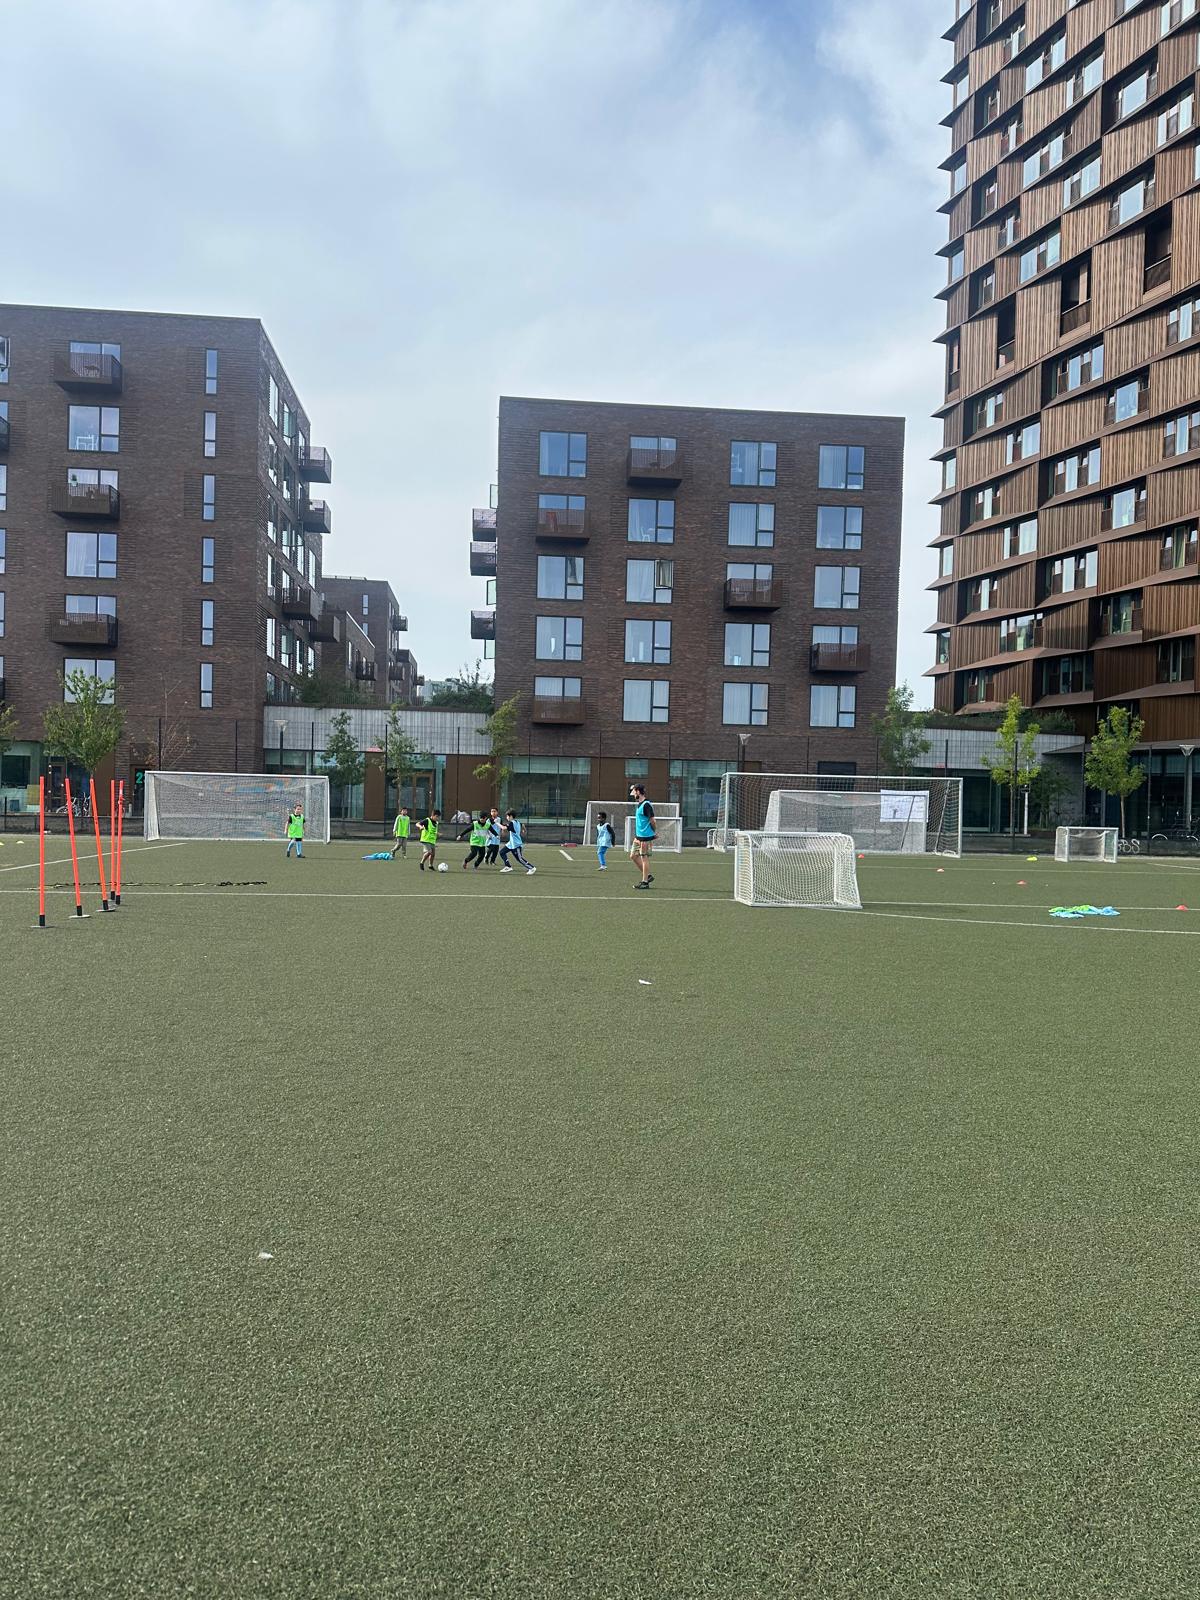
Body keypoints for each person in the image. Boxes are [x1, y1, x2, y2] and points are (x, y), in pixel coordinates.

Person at [629, 783, 655, 889]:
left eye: (634, 791)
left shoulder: (646, 805)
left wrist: (653, 833)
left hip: (645, 837)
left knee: (644, 857)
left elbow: (652, 820)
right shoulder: (639, 804)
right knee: (633, 856)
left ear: (638, 792)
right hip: (638, 837)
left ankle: (645, 882)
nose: (633, 794)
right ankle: (648, 876)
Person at [499, 809, 536, 874]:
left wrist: (497, 823)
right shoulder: (517, 822)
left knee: (519, 859)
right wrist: (524, 830)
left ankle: (531, 868)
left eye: (507, 816)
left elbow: (503, 828)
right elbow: (522, 825)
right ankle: (508, 866)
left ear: (511, 816)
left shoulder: (512, 823)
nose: (506, 817)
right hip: (511, 844)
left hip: (516, 844)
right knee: (502, 852)